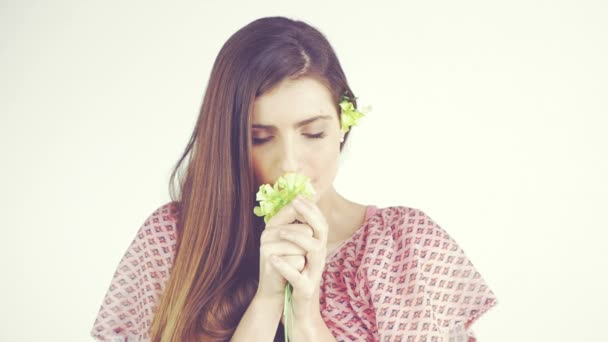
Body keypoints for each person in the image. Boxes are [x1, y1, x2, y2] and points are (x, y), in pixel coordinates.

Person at [89, 16, 498, 342]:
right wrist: (267, 299)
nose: (289, 164)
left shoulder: (403, 247)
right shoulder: (175, 241)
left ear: (344, 123)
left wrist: (306, 315)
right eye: (260, 138)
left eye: (313, 133)